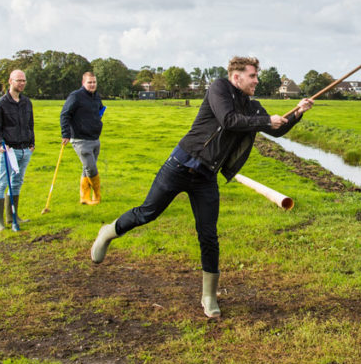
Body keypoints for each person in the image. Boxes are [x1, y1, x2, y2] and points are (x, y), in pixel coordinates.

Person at [90, 56, 313, 318]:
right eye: (252, 76)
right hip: (180, 165)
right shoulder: (218, 88)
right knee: (147, 213)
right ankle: (108, 232)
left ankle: (208, 297)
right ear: (236, 77)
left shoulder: (253, 107)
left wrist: (297, 112)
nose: (257, 80)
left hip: (207, 176)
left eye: (256, 76)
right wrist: (264, 121)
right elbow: (229, 120)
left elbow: (275, 130)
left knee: (208, 235)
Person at [0, 70, 35, 231]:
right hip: (9, 150)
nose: (21, 83)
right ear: (10, 81)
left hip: (25, 149)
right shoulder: (1, 104)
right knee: (2, 183)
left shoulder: (27, 102)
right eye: (18, 80)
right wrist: (0, 145)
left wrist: (32, 143)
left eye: (23, 81)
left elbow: (30, 124)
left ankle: (12, 217)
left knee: (17, 183)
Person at [60, 71, 105, 205]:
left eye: (94, 82)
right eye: (89, 82)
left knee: (87, 168)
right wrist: (65, 134)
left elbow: (100, 110)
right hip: (80, 139)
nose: (92, 85)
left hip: (95, 138)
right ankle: (97, 195)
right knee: (91, 168)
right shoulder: (76, 96)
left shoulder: (96, 97)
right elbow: (65, 114)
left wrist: (97, 121)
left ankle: (84, 197)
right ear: (83, 83)